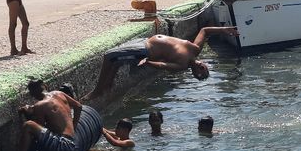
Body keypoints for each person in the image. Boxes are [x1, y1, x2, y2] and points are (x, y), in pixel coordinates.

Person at [85, 26, 239, 99]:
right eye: (204, 68)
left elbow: (163, 66)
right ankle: (108, 85)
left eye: (200, 71)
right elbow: (205, 30)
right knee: (117, 60)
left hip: (145, 50)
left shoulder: (181, 65)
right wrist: (224, 29)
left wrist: (148, 62)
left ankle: (98, 90)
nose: (201, 67)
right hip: (143, 42)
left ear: (195, 73)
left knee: (109, 56)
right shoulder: (195, 49)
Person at [5, 79, 83, 151]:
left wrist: (28, 115)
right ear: (45, 86)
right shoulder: (59, 93)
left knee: (28, 125)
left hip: (62, 145)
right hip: (72, 143)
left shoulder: (40, 106)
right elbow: (78, 106)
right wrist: (74, 127)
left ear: (32, 93)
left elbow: (38, 130)